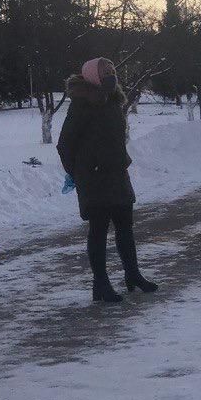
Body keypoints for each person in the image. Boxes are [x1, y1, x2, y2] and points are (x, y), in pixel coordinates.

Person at [56, 58, 158, 303]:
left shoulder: (113, 101)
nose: (111, 74)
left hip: (117, 175)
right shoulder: (82, 104)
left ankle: (133, 275)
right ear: (92, 75)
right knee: (99, 232)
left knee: (126, 229)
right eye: (105, 71)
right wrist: (79, 172)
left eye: (112, 70)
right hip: (94, 179)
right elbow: (64, 144)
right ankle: (100, 285)